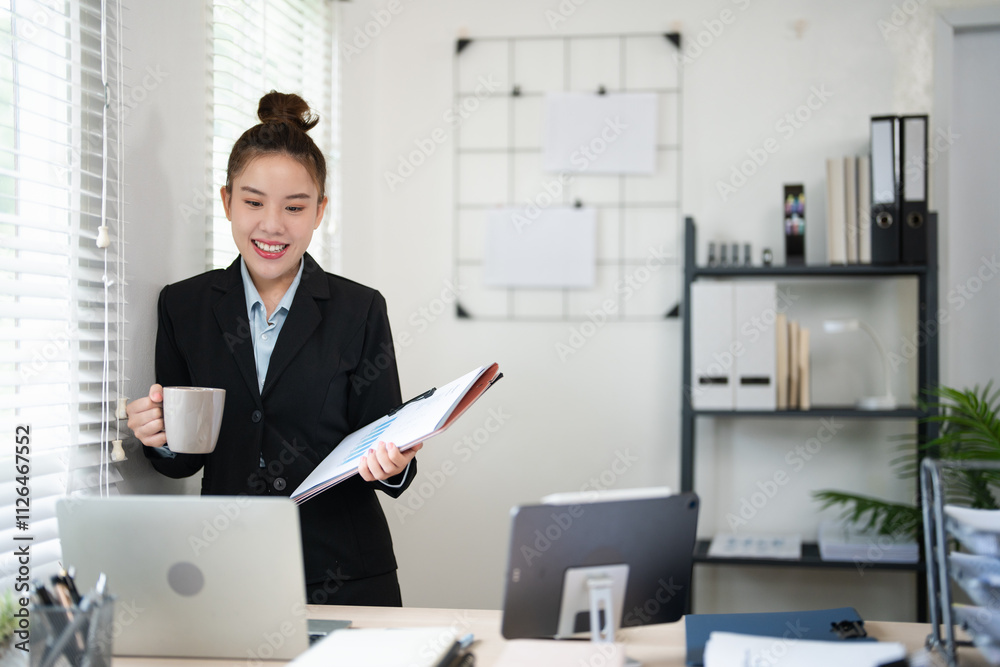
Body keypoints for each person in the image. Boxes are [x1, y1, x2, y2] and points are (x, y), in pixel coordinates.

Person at [126, 91, 420, 606]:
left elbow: (388, 442)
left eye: (295, 207)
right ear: (226, 202)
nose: (272, 225)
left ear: (320, 212)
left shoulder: (361, 309)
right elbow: (181, 462)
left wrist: (394, 464)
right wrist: (159, 437)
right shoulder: (183, 306)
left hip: (345, 573)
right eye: (254, 202)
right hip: (226, 573)